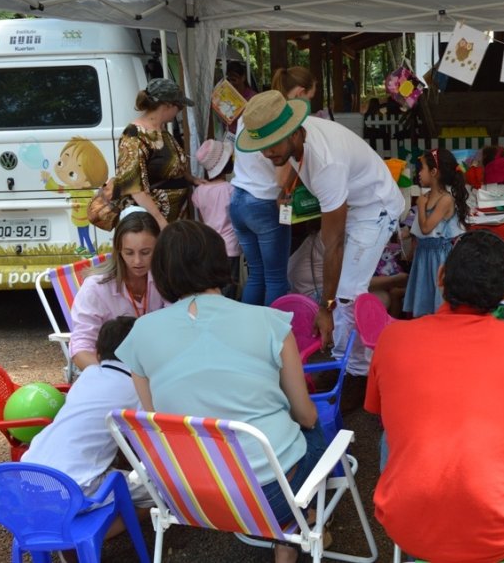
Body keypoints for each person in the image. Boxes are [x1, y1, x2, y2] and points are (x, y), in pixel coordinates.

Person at [115, 220, 323, 563]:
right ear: (217, 261)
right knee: (318, 431)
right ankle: (297, 525)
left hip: (189, 494)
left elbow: (156, 423)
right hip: (269, 496)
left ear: (162, 269)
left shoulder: (140, 333)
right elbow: (304, 414)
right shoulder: (271, 322)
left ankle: (291, 532)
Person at [365, 230, 504, 563]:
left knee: (392, 438)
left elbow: (385, 416)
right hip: (499, 530)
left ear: (440, 277)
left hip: (407, 527)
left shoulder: (393, 338)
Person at [237, 89, 405, 384]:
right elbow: (291, 162)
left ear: (292, 133)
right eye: (261, 147)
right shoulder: (295, 139)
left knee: (347, 294)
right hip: (353, 201)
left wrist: (325, 309)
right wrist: (287, 187)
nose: (266, 153)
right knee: (343, 291)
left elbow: (333, 245)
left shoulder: (326, 163)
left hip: (375, 207)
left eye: (271, 145)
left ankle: (356, 374)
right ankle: (343, 361)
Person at [23, 316, 151, 540]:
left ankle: (65, 531)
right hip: (76, 488)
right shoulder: (135, 387)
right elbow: (147, 436)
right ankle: (84, 539)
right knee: (160, 493)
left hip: (27, 477)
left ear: (98, 353)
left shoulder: (88, 376)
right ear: (140, 354)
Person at [229, 68, 319, 306]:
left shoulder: (253, 112)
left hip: (238, 199)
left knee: (257, 275)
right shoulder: (282, 122)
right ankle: (276, 337)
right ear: (300, 93)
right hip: (264, 203)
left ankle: (249, 331)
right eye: (309, 98)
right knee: (276, 278)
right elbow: (281, 180)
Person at [69, 208, 167, 370]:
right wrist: (112, 375)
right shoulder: (95, 287)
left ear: (158, 248)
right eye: (129, 253)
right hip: (113, 370)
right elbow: (81, 347)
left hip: (158, 369)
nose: (137, 261)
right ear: (118, 250)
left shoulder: (167, 279)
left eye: (145, 252)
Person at [114, 78, 203, 229]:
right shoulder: (134, 135)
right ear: (167, 105)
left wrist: (192, 179)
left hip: (174, 218)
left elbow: (172, 165)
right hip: (151, 222)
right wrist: (160, 221)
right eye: (179, 107)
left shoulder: (161, 130)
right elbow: (133, 186)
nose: (179, 112)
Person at [402, 148, 468, 317]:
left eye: (421, 168)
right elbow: (419, 232)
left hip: (438, 258)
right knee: (424, 300)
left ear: (434, 172)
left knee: (438, 302)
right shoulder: (428, 196)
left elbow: (426, 228)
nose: (418, 173)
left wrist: (421, 206)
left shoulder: (445, 199)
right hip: (423, 255)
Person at [41, 137, 109, 254]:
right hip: (76, 217)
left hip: (84, 217)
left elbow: (95, 203)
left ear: (88, 181)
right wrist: (49, 181)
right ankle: (82, 246)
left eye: (72, 174)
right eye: (61, 162)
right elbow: (59, 188)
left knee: (85, 233)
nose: (63, 170)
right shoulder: (72, 188)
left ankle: (91, 250)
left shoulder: (89, 193)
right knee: (79, 231)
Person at [192, 139, 240, 299]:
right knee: (229, 287)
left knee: (213, 287)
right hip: (230, 246)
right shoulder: (230, 189)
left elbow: (200, 220)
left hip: (209, 246)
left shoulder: (199, 191)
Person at [225, 60, 257, 135]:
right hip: (229, 138)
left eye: (234, 79)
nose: (231, 84)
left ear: (243, 78)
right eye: (228, 80)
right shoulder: (226, 97)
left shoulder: (253, 98)